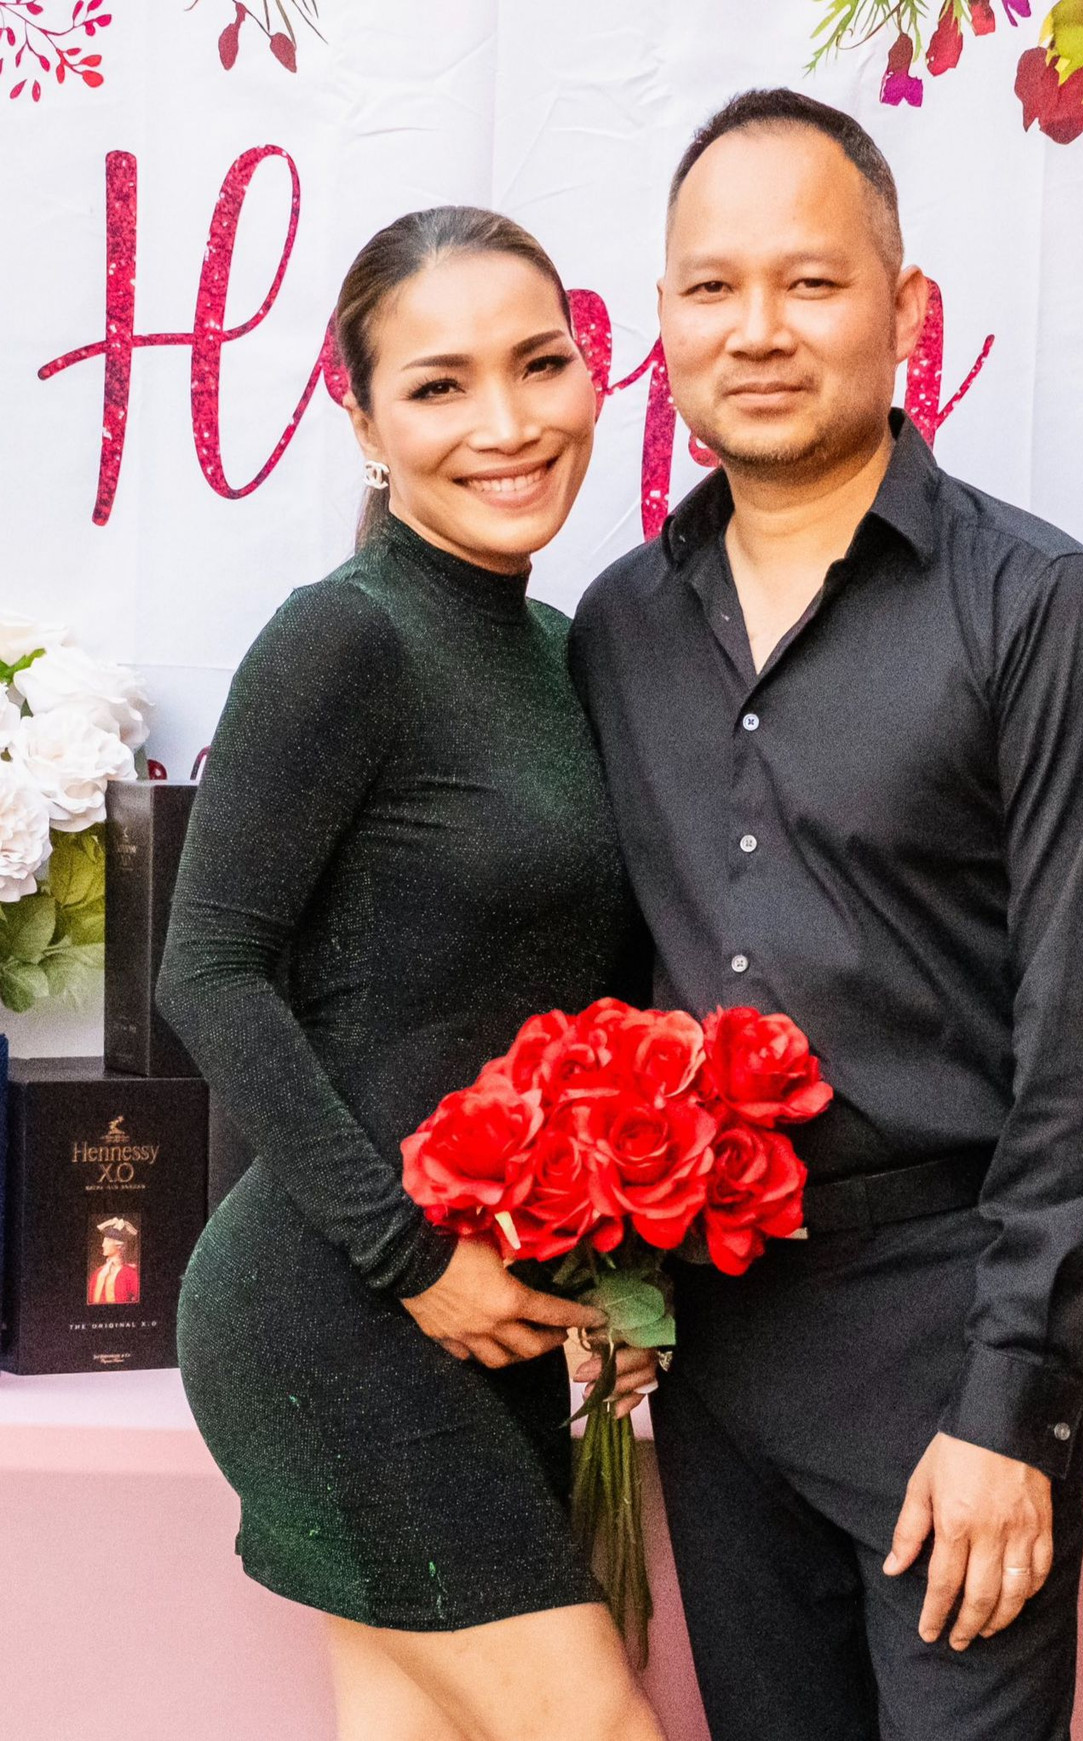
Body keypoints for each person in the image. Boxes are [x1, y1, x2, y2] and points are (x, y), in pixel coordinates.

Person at [569, 90, 1083, 1741]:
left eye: (810, 282)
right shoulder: (618, 627)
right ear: (662, 322)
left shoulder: (1044, 615)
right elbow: (614, 980)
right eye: (712, 287)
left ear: (908, 311)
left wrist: (1012, 1405)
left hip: (949, 1331)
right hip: (717, 1347)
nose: (757, 329)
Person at [158, 206, 666, 1741]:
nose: (505, 423)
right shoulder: (346, 639)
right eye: (439, 385)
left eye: (540, 364)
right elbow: (209, 968)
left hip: (487, 1316)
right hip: (336, 1308)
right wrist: (411, 1260)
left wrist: (620, 1267)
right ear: (364, 421)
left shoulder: (568, 650)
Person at [88, 1218, 140, 1305]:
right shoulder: (97, 1273)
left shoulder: (130, 1274)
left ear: (119, 1245)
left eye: (107, 1241)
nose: (103, 1245)